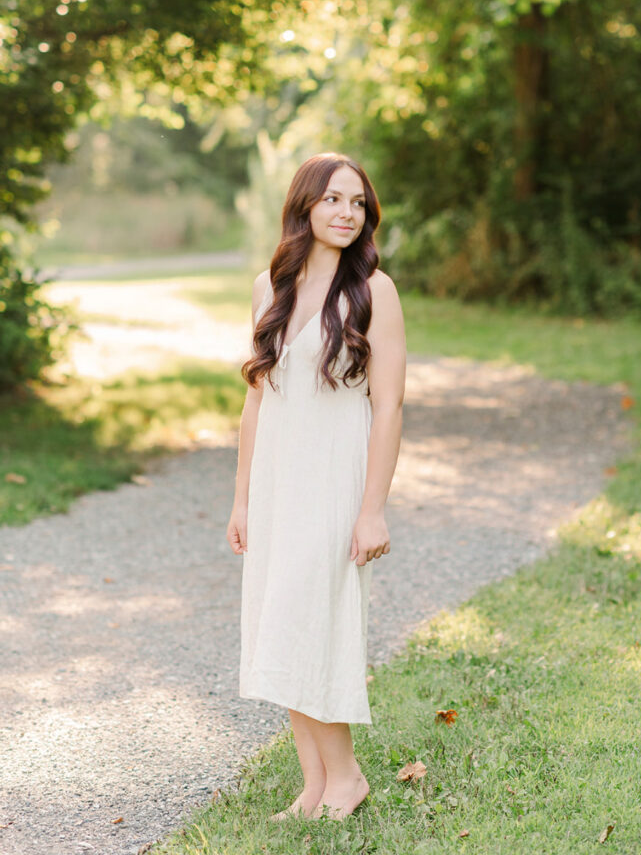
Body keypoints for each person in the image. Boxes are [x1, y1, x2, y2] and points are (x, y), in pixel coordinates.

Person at [226, 152, 406, 821]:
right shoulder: (267, 288)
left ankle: (348, 777)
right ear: (305, 206)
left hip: (335, 479)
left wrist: (373, 510)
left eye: (357, 203)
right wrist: (243, 499)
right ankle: (313, 785)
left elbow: (387, 406)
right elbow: (256, 400)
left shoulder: (373, 292)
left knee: (314, 622)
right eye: (333, 199)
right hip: (277, 479)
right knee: (282, 623)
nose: (345, 213)